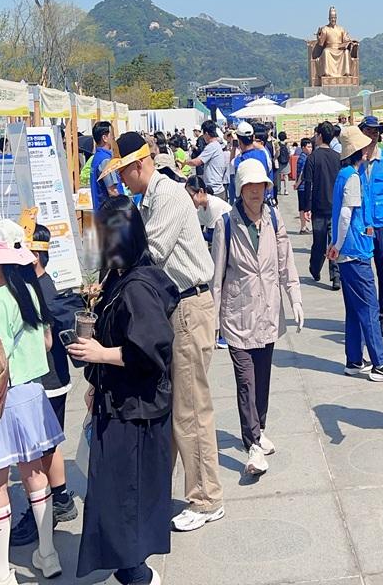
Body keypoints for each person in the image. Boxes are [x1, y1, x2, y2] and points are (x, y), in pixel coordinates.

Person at [107, 132, 223, 533]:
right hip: (176, 308)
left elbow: (150, 253)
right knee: (175, 408)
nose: (122, 180)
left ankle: (207, 498)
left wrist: (111, 276)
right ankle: (164, 490)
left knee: (191, 410)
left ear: (140, 165)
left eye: (124, 171)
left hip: (190, 307)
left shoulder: (170, 196)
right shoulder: (148, 198)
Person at [68, 197, 176, 585]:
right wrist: (97, 381)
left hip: (136, 410)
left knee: (123, 496)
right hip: (119, 400)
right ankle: (131, 566)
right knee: (114, 495)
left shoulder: (138, 287)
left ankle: (136, 572)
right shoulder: (121, 276)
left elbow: (152, 351)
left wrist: (101, 353)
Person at [0, 219, 66, 584]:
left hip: (3, 398)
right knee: (35, 474)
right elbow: (46, 344)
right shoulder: (32, 291)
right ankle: (48, 552)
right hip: (33, 393)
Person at [210, 159, 305, 476]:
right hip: (237, 317)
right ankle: (252, 444)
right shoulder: (226, 224)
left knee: (262, 380)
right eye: (249, 186)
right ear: (240, 188)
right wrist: (213, 323)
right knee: (246, 382)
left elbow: (285, 261)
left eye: (260, 186)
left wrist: (295, 298)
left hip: (268, 313)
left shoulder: (274, 218)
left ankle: (259, 428)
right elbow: (217, 276)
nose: (255, 192)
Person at [9, 222, 81, 547]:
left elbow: (47, 342)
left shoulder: (39, 290)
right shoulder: (43, 284)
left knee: (38, 451)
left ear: (33, 258)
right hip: (55, 381)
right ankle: (61, 498)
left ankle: (47, 509)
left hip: (46, 381)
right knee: (49, 444)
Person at [330, 126, 383, 382]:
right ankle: (380, 364)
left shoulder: (345, 174)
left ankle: (354, 360)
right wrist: (339, 244)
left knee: (354, 309)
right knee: (370, 308)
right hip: (355, 249)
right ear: (359, 150)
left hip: (349, 249)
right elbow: (345, 214)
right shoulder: (352, 177)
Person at [359, 115, 383, 337]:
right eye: (368, 131)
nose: (372, 136)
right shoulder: (355, 160)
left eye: (375, 132)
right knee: (363, 270)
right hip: (363, 222)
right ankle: (368, 313)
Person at [304, 121, 342, 289]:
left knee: (318, 242)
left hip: (318, 208)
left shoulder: (312, 158)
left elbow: (308, 184)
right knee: (335, 241)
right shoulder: (338, 158)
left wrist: (306, 207)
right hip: (335, 207)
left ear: (319, 136)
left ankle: (315, 268)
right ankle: (336, 277)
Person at [185, 120, 229, 199]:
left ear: (206, 134)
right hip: (217, 188)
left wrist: (185, 162)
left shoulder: (211, 146)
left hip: (214, 190)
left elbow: (198, 161)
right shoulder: (217, 145)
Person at [185, 175, 232, 242]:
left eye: (191, 196)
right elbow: (199, 228)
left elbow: (212, 237)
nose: (189, 199)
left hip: (232, 236)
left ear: (201, 191)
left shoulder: (213, 205)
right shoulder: (200, 207)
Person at [90, 120, 118, 214]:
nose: (114, 138)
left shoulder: (96, 158)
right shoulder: (105, 160)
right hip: (110, 216)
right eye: (112, 135)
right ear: (105, 138)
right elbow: (113, 192)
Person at [295, 137, 313, 233]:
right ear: (303, 147)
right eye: (308, 147)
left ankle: (304, 226)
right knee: (303, 207)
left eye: (311, 147)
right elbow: (302, 173)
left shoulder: (302, 157)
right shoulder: (304, 158)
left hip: (301, 186)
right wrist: (297, 184)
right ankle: (303, 227)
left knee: (302, 207)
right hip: (303, 186)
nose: (310, 149)